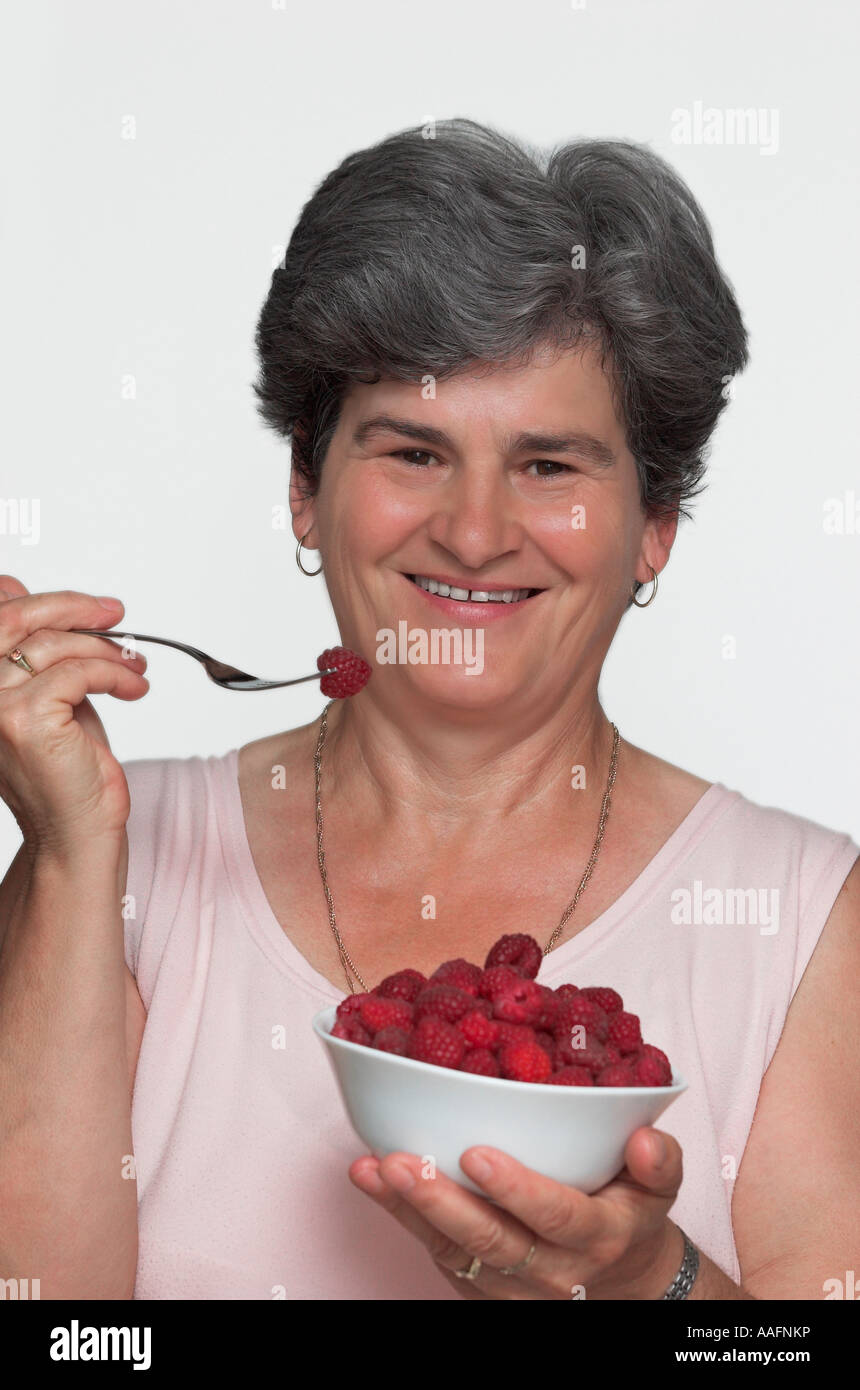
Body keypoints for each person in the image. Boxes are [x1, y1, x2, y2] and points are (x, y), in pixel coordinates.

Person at [0, 119, 857, 1302]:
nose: (471, 530)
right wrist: (68, 848)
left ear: (652, 526)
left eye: (549, 465)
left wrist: (648, 1290)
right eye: (412, 450)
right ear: (305, 487)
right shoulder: (118, 855)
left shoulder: (801, 919)